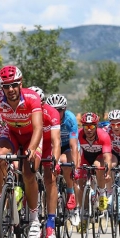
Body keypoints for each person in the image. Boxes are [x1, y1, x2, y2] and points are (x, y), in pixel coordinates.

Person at [0, 65, 43, 238]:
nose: (10, 89)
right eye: (6, 86)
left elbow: (38, 127)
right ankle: (0, 200)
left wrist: (32, 148)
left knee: (30, 173)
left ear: (20, 83)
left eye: (14, 85)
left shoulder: (32, 97)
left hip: (31, 135)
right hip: (12, 133)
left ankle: (34, 218)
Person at [29, 87, 61, 238]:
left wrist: (55, 159)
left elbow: (56, 141)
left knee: (50, 179)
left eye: (40, 103)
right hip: (32, 144)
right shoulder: (26, 111)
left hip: (48, 146)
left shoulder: (52, 113)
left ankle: (50, 222)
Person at [46, 94, 80, 226]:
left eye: (59, 110)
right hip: (53, 145)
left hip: (67, 146)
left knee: (66, 162)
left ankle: (71, 193)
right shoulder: (47, 118)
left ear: (64, 110)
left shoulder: (70, 119)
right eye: (53, 109)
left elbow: (73, 146)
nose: (55, 112)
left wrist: (75, 169)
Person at [78, 112, 112, 220]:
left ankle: (102, 193)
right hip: (85, 158)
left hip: (99, 157)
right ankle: (84, 211)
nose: (88, 129)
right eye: (86, 126)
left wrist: (108, 172)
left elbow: (107, 157)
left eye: (91, 126)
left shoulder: (103, 135)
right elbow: (76, 152)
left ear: (96, 126)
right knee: (81, 183)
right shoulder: (79, 134)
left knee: (98, 166)